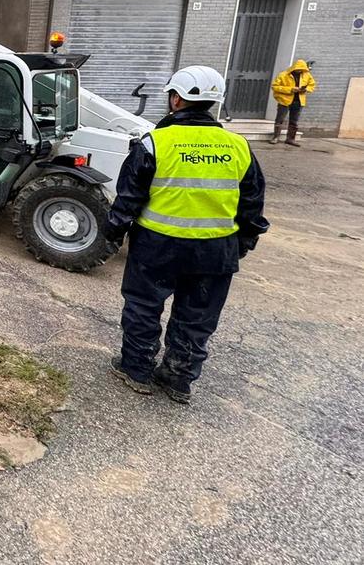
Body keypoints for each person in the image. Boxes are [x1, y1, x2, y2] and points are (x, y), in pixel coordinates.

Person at [105, 65, 269, 405]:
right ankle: (178, 378)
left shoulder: (155, 143)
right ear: (214, 103)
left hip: (157, 246)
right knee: (197, 317)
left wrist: (113, 231)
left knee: (143, 307)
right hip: (215, 250)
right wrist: (246, 241)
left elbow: (129, 197)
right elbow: (252, 201)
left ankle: (136, 370)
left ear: (176, 99)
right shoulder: (237, 146)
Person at [270, 59, 316, 146]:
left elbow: (312, 85)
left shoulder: (307, 75)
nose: (300, 71)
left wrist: (305, 89)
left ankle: (290, 139)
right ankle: (275, 137)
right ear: (294, 67)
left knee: (294, 121)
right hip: (284, 101)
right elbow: (275, 87)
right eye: (298, 69)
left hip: (299, 101)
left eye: (302, 69)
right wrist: (290, 89)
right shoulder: (283, 75)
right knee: (279, 120)